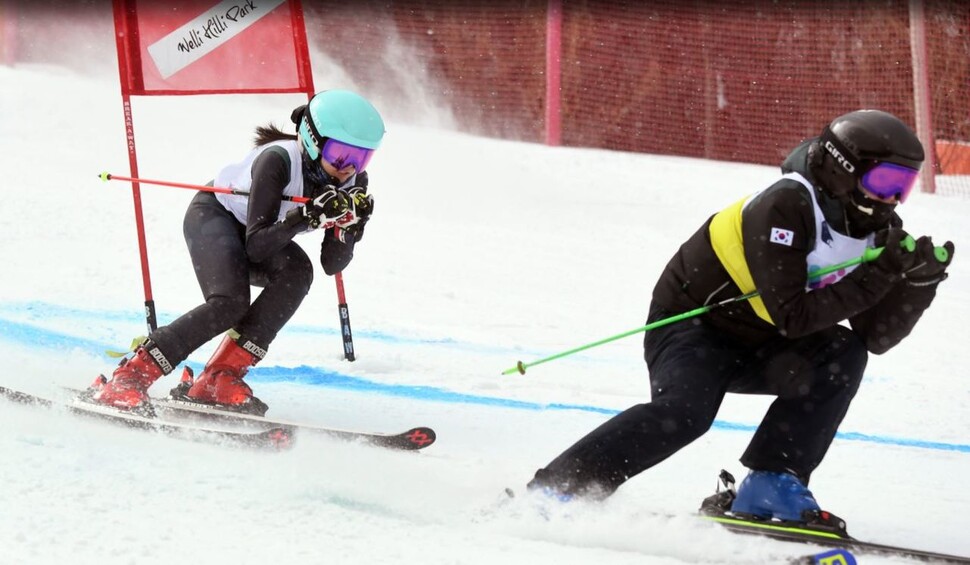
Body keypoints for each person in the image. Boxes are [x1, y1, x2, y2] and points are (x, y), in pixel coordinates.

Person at [525, 109, 955, 524]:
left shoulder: (877, 228)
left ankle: (772, 479)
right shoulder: (786, 205)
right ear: (845, 168)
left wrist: (917, 285)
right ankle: (563, 484)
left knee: (844, 354)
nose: (892, 198)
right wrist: (878, 277)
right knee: (685, 414)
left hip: (764, 341)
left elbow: (873, 337)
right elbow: (792, 316)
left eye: (904, 185)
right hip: (694, 329)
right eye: (883, 180)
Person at [87, 89, 385, 416]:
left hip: (260, 235)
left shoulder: (353, 181)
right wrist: (306, 217)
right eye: (342, 154)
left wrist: (350, 230)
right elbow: (256, 247)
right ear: (313, 140)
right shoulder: (278, 161)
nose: (349, 168)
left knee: (299, 273)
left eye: (362, 157)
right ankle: (132, 375)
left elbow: (332, 263)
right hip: (215, 216)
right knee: (229, 304)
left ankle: (219, 376)